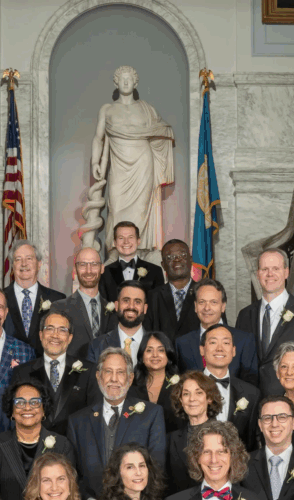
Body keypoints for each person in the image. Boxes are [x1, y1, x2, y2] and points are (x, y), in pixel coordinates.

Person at [67, 348, 166, 500]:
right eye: (108, 372)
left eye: (120, 372)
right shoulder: (77, 421)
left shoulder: (151, 415)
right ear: (98, 376)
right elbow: (72, 475)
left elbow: (157, 470)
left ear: (130, 378)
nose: (114, 379)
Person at [92, 67, 174, 252]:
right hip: (119, 166)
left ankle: (142, 252)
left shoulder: (147, 109)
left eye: (130, 79)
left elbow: (163, 130)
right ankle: (116, 253)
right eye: (122, 79)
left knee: (142, 210)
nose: (126, 82)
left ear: (135, 83)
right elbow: (98, 138)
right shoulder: (107, 109)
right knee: (116, 210)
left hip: (143, 164)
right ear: (116, 83)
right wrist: (94, 163)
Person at [235, 248, 294, 396]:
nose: (269, 274)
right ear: (258, 274)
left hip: (291, 407)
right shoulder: (245, 315)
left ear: (286, 272)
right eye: (264, 269)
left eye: (275, 269)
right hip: (252, 408)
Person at [9, 311, 95, 436]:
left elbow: (93, 416)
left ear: (70, 338)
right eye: (50, 329)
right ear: (40, 334)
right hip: (34, 448)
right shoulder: (21, 372)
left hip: (75, 448)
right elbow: (15, 415)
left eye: (62, 330)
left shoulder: (89, 370)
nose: (55, 335)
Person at [176, 280, 258, 386]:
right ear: (195, 306)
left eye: (213, 302)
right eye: (202, 302)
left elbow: (251, 385)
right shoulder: (182, 343)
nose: (207, 308)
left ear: (223, 306)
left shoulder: (244, 340)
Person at [201, 325, 261, 450]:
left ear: (233, 351)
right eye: (213, 342)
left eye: (226, 343)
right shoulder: (187, 389)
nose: (219, 348)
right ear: (202, 349)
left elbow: (251, 443)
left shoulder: (251, 394)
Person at [2, 240, 65, 356]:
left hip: (44, 369)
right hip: (9, 369)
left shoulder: (57, 300)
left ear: (39, 264)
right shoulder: (0, 298)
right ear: (12, 265)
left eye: (29, 258)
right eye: (18, 259)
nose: (24, 264)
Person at [51, 249, 116, 358]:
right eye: (83, 264)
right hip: (74, 373)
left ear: (102, 268)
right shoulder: (59, 308)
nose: (88, 270)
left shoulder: (113, 310)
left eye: (94, 264)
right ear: (75, 269)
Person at [166, 371, 222, 494]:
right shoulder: (171, 439)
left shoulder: (225, 435)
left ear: (210, 398)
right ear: (180, 400)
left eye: (199, 393)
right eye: (186, 394)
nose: (192, 399)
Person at [145, 240, 199, 339]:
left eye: (182, 255)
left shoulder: (204, 293)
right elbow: (146, 336)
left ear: (190, 260)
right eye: (170, 257)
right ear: (163, 265)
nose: (177, 260)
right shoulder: (152, 297)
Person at [87, 281, 149, 364]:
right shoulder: (96, 346)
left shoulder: (158, 346)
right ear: (116, 305)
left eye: (137, 302)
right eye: (126, 300)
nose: (131, 306)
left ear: (145, 308)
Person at [133, 331, 181, 433]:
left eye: (161, 350)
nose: (155, 355)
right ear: (142, 356)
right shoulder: (132, 384)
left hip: (173, 445)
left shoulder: (181, 385)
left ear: (168, 355)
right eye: (149, 350)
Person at [101, 221, 164, 298]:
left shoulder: (155, 271)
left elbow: (158, 304)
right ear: (115, 242)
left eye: (130, 237)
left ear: (138, 241)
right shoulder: (105, 273)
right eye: (121, 238)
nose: (126, 242)